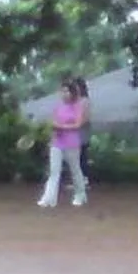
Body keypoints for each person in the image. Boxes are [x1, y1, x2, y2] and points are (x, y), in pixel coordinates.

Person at [37, 75, 89, 209]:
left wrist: (62, 127)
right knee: (54, 172)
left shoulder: (78, 106)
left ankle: (80, 195)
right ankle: (48, 199)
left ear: (72, 92)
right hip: (57, 143)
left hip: (72, 143)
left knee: (75, 170)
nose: (64, 94)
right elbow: (54, 123)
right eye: (62, 91)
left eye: (67, 91)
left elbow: (78, 124)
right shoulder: (58, 107)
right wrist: (53, 131)